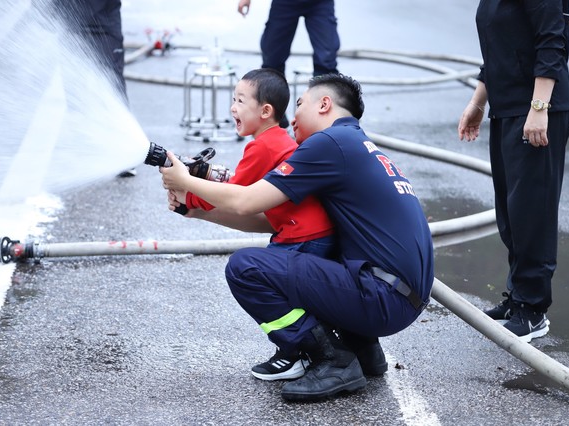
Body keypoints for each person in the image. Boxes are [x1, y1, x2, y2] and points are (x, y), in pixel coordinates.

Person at [162, 73, 434, 402]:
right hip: (401, 297)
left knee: (246, 268)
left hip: (381, 297)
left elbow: (245, 200)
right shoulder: (357, 146)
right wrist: (201, 212)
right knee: (315, 248)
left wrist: (184, 181)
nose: (292, 117)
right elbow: (275, 220)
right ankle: (363, 347)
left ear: (325, 104)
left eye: (301, 104)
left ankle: (332, 361)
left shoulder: (329, 143)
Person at [173, 68, 336, 381]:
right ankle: (301, 346)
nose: (233, 107)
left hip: (303, 239)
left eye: (240, 100)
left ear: (265, 111)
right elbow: (236, 185)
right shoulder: (277, 142)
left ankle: (300, 350)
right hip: (312, 237)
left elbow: (232, 196)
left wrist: (186, 192)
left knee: (250, 277)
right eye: (233, 99)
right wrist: (200, 183)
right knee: (284, 288)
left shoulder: (263, 146)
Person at [457, 0, 569, 343]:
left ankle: (533, 309)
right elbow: (498, 49)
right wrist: (478, 103)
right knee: (511, 212)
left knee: (531, 212)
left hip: (537, 110)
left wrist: (539, 108)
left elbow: (553, 40)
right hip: (506, 108)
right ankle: (518, 296)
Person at [50, 0, 137, 177]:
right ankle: (82, 148)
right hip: (70, 24)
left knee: (112, 85)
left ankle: (122, 152)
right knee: (74, 88)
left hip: (105, 25)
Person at [237, 0, 340, 128]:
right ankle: (273, 115)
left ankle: (325, 118)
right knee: (272, 59)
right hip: (284, 3)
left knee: (326, 59)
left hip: (320, 3)